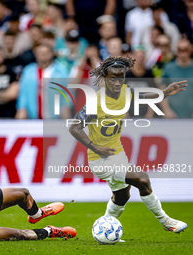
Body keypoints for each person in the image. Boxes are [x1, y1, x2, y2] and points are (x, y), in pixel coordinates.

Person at [68, 55, 188, 234]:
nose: (117, 82)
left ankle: (103, 230)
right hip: (99, 158)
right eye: (112, 78)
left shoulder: (125, 91)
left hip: (117, 154)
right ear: (105, 78)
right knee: (142, 179)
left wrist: (164, 93)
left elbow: (142, 97)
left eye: (121, 77)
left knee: (122, 195)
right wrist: (95, 147)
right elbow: (74, 127)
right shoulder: (96, 102)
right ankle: (166, 221)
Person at [16, 43, 70, 119]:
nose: (43, 55)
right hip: (33, 116)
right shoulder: (28, 71)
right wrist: (21, 108)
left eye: (46, 52)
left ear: (51, 54)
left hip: (55, 117)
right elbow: (23, 93)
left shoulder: (61, 71)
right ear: (35, 54)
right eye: (40, 53)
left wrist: (66, 108)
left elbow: (66, 93)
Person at [161, 39, 193, 118]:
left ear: (190, 50)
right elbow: (162, 90)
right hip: (173, 117)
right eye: (180, 50)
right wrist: (167, 110)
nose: (183, 53)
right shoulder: (168, 68)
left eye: (185, 49)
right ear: (176, 51)